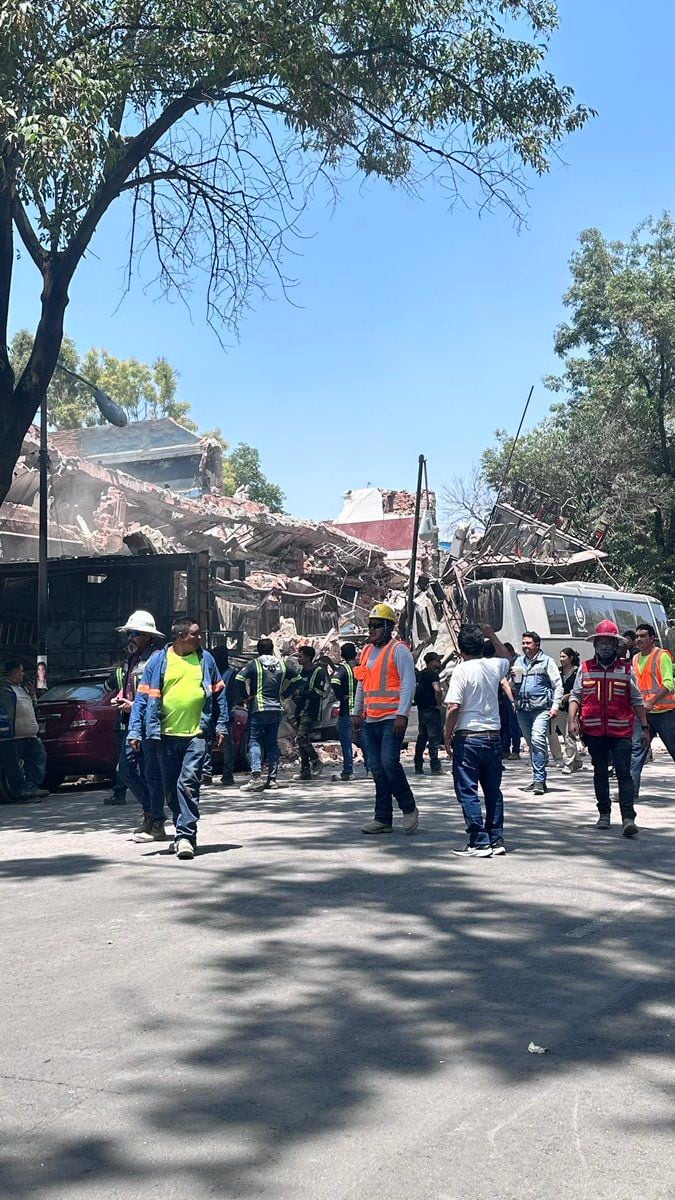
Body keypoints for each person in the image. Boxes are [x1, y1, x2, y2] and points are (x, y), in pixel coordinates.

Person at [128, 619, 227, 859]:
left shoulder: (206, 660)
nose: (200, 637)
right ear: (181, 636)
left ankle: (185, 836)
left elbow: (219, 694)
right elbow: (142, 699)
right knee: (170, 788)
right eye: (196, 634)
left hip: (196, 735)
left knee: (188, 784)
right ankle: (181, 831)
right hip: (164, 737)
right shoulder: (159, 661)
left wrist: (222, 724)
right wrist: (134, 730)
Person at [568, 620, 647, 836]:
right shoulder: (584, 668)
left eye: (608, 642)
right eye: (600, 642)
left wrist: (646, 727)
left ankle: (628, 818)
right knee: (600, 772)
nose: (604, 646)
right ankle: (604, 813)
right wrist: (572, 720)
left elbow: (636, 699)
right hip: (593, 731)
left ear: (616, 645)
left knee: (624, 773)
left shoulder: (626, 669)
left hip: (621, 731)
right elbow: (576, 695)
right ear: (594, 644)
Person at [444, 624, 511, 856]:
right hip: (493, 736)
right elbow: (507, 657)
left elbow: (453, 707)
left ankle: (479, 840)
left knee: (467, 790)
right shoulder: (494, 666)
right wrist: (491, 634)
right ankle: (496, 838)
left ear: (461, 648)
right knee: (493, 790)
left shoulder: (461, 670)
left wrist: (446, 735)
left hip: (469, 737)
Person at [353, 603, 418, 835]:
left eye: (377, 625)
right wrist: (356, 712)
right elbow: (361, 682)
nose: (371, 629)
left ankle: (408, 807)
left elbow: (408, 683)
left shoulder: (399, 650)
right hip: (371, 719)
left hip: (392, 717)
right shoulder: (367, 651)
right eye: (370, 625)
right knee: (377, 768)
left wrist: (402, 714)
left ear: (388, 627)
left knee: (389, 763)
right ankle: (382, 818)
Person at [103, 611, 164, 818]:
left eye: (135, 633)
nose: (131, 638)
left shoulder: (157, 660)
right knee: (126, 770)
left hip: (150, 725)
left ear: (147, 636)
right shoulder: (131, 661)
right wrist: (122, 698)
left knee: (150, 773)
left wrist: (135, 705)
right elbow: (129, 688)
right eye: (129, 634)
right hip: (132, 725)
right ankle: (151, 808)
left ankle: (154, 815)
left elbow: (159, 694)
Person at [511, 631, 563, 795]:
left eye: (528, 643)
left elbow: (558, 685)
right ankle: (537, 779)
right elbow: (513, 686)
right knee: (531, 744)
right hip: (522, 708)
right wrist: (513, 679)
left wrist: (555, 706)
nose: (525, 646)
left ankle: (540, 780)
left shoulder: (547, 662)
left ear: (537, 645)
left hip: (541, 708)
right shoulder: (518, 661)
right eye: (524, 643)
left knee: (537, 739)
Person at [236, 637, 288, 792]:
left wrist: (245, 696)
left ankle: (256, 777)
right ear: (272, 649)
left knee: (254, 741)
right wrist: (285, 693)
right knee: (272, 743)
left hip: (258, 708)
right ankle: (272, 779)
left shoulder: (254, 664)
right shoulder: (281, 665)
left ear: (258, 650)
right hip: (276, 709)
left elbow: (239, 678)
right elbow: (297, 679)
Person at [631, 622, 675, 793]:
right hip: (644, 714)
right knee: (636, 751)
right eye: (637, 637)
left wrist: (652, 701)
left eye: (643, 636)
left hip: (665, 714)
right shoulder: (635, 658)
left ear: (652, 638)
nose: (639, 640)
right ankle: (630, 790)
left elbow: (669, 684)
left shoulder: (661, 656)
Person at [0, 659, 49, 800]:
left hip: (30, 735)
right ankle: (20, 792)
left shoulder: (23, 689)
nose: (23, 674)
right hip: (11, 737)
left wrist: (33, 695)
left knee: (39, 756)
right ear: (14, 672)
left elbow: (34, 707)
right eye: (21, 671)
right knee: (13, 766)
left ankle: (30, 787)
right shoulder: (4, 689)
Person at [287, 645, 326, 780]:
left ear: (308, 658)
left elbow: (319, 692)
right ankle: (305, 770)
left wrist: (303, 692)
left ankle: (316, 761)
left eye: (300, 656)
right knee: (302, 740)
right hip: (300, 710)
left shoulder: (318, 672)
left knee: (301, 737)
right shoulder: (301, 672)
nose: (298, 658)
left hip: (310, 710)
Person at [331, 642, 364, 781]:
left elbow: (334, 681)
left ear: (342, 655)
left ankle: (348, 771)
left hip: (347, 712)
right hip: (362, 712)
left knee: (346, 742)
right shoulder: (361, 668)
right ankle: (370, 769)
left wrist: (341, 696)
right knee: (364, 741)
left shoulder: (343, 668)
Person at [483, 640, 517, 768]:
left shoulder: (470, 666)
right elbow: (504, 683)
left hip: (478, 705)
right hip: (494, 703)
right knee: (495, 732)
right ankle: (496, 760)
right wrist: (512, 701)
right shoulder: (496, 666)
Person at [209, 645, 239, 787]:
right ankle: (206, 774)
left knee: (226, 745)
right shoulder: (211, 672)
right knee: (207, 744)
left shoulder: (231, 673)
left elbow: (233, 696)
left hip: (226, 714)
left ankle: (228, 774)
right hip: (210, 712)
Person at [413, 651, 444, 776]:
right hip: (432, 710)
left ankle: (418, 765)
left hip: (422, 710)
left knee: (422, 738)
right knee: (433, 740)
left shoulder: (419, 675)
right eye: (437, 660)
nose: (440, 663)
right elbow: (437, 690)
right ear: (431, 662)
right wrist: (439, 703)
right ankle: (435, 766)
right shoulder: (433, 675)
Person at [554, 647, 583, 774]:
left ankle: (568, 763)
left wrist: (569, 695)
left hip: (573, 707)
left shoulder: (577, 672)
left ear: (571, 658)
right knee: (566, 736)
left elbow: (580, 689)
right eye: (560, 657)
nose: (561, 659)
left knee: (569, 735)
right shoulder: (558, 672)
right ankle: (577, 761)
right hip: (560, 708)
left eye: (564, 657)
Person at [501, 642, 522, 759]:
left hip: (514, 693)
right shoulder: (503, 662)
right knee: (505, 723)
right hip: (504, 694)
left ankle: (516, 750)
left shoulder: (518, 661)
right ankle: (505, 749)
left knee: (514, 723)